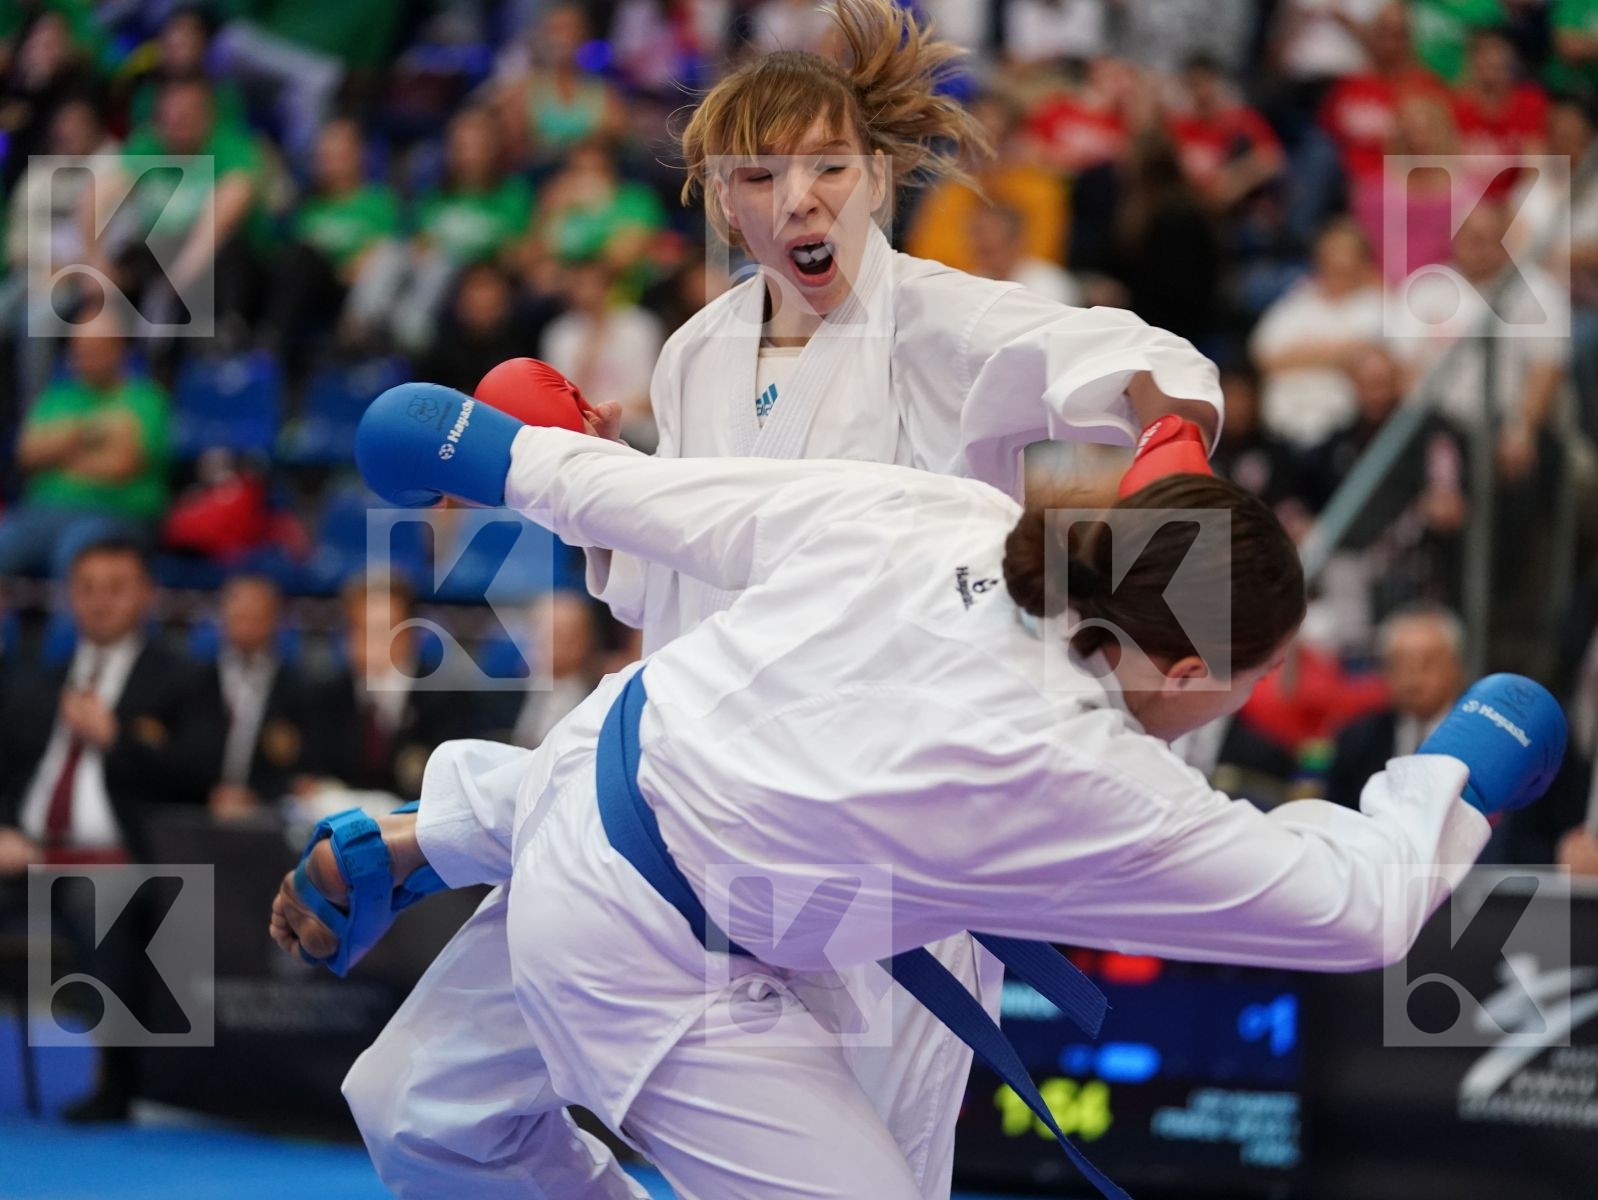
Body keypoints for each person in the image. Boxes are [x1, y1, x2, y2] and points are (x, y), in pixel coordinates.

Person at [334, 4, 1229, 1197]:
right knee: (424, 1108)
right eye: (760, 174)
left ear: (876, 180)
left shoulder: (936, 321)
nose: (799, 198)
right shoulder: (693, 353)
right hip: (680, 809)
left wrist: (1164, 442)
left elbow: (1135, 355)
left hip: (881, 846)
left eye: (829, 167)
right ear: (721, 198)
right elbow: (680, 590)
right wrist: (589, 484)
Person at [275, 383, 1564, 1198]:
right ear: (1185, 669)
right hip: (649, 947)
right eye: (1252, 674)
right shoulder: (1084, 776)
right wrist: (1451, 766)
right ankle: (457, 825)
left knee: (423, 1110)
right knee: (452, 1114)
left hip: (633, 758)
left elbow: (665, 500)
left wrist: (496, 454)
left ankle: (452, 822)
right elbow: (1356, 911)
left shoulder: (943, 511)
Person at [0, 535, 224, 1121]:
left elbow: (200, 772)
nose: (100, 603)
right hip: (28, 852)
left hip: (126, 856)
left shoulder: (182, 679)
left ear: (146, 596)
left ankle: (114, 1078)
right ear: (70, 597)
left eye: (116, 589)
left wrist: (115, 739)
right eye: (87, 590)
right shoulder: (35, 680)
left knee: (99, 898)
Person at [0, 309, 171, 580]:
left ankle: (66, 625)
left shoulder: (146, 399)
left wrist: (59, 455)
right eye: (78, 349)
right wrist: (93, 435)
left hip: (117, 516)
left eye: (94, 349)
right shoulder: (57, 396)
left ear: (118, 347)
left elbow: (120, 465)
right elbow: (27, 453)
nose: (83, 358)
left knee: (80, 552)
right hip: (41, 513)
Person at [1325, 605, 1468, 809]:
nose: (1413, 678)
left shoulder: (1480, 741)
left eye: (1427, 663)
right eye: (1400, 664)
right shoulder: (1357, 741)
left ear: (1456, 668)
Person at [202, 574, 312, 820]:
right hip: (199, 813)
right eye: (239, 616)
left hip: (268, 821)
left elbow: (305, 775)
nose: (247, 626)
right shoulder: (196, 683)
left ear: (276, 621)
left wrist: (258, 798)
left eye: (257, 617)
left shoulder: (300, 689)